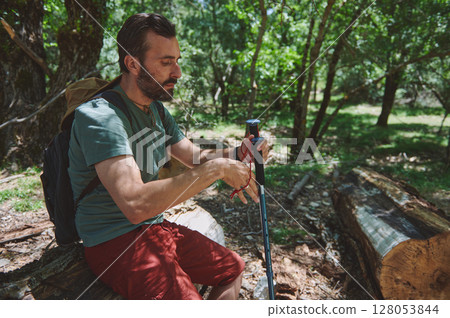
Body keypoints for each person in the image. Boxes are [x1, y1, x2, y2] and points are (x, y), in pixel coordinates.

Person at [68, 13, 268, 300]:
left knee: (233, 269)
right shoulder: (102, 117)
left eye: (177, 61)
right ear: (132, 64)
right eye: (166, 63)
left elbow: (195, 157)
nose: (178, 73)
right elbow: (135, 204)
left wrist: (238, 153)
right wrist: (218, 170)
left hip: (154, 228)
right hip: (114, 242)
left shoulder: (156, 110)